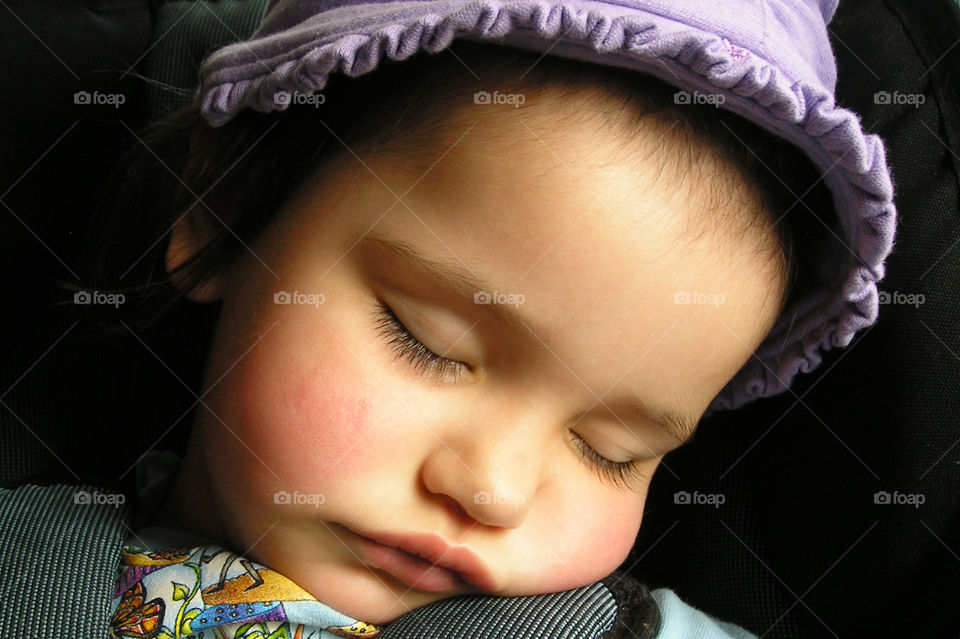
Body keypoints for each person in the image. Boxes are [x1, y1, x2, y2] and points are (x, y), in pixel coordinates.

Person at [100, 0, 897, 637]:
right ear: (222, 205)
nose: (493, 490)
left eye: (612, 451)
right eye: (427, 342)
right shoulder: (29, 572)